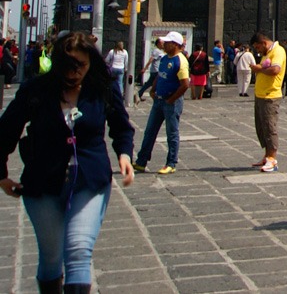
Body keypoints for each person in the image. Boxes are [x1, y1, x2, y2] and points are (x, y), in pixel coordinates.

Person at [0, 32, 136, 294]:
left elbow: (122, 127)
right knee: (51, 257)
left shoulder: (103, 89)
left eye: (80, 67)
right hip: (43, 182)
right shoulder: (36, 91)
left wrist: (125, 155)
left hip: (90, 180)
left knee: (77, 249)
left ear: (90, 63)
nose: (74, 73)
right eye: (68, 66)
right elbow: (6, 131)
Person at [134, 31, 190, 175]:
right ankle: (141, 161)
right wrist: (153, 90)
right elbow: (160, 76)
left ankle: (171, 163)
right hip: (158, 100)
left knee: (172, 133)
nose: (164, 44)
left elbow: (185, 84)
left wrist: (172, 99)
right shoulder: (165, 58)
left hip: (172, 102)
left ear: (176, 45)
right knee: (150, 131)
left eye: (167, 42)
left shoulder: (180, 61)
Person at [249, 32, 287, 172]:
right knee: (261, 127)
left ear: (264, 43)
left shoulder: (278, 51)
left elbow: (275, 69)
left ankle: (272, 159)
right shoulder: (267, 53)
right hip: (260, 95)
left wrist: (259, 68)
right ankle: (267, 155)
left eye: (258, 47)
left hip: (270, 96)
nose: (257, 51)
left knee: (270, 127)